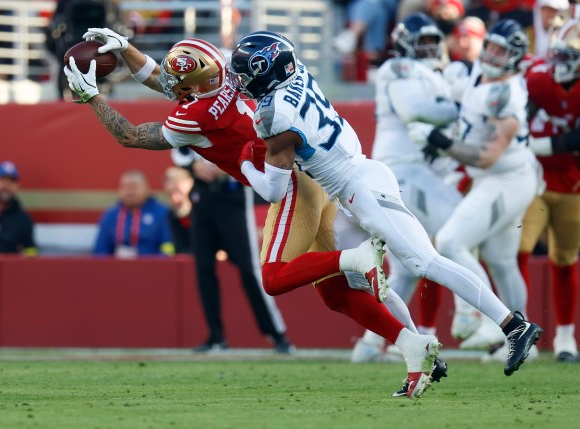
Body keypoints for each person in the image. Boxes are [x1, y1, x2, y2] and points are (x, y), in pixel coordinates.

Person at [63, 30, 447, 398]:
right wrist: (127, 48)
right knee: (336, 293)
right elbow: (169, 82)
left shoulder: (193, 116)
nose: (168, 82)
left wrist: (92, 97)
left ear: (194, 84)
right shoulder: (229, 74)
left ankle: (356, 259)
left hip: (290, 185)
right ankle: (414, 345)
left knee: (275, 277)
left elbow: (130, 134)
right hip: (315, 174)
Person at [229, 29, 542, 379]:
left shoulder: (273, 117)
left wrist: (241, 163)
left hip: (361, 185)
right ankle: (420, 347)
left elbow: (272, 191)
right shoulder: (296, 72)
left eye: (245, 76)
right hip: (351, 184)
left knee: (425, 261)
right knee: (360, 279)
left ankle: (512, 324)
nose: (240, 83)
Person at [408, 19, 543, 362]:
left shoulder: (505, 93)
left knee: (451, 241)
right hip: (500, 178)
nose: (494, 56)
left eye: (502, 51)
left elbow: (487, 156)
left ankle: (488, 319)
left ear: (515, 58)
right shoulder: (476, 76)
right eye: (492, 47)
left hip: (506, 177)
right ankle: (525, 342)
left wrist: (441, 142)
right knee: (501, 261)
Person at [351, 13, 466, 362]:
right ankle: (477, 316)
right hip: (400, 175)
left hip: (416, 175)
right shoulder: (399, 69)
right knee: (457, 235)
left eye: (434, 42)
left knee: (404, 269)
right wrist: (457, 106)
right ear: (405, 45)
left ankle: (370, 345)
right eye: (423, 43)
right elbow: (415, 109)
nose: (430, 49)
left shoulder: (433, 74)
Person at [173, 149, 295, 354]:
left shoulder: (242, 116)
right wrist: (193, 165)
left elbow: (257, 147)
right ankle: (215, 336)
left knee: (249, 269)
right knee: (204, 269)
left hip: (233, 194)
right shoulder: (191, 117)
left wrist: (233, 166)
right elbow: (178, 146)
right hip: (202, 196)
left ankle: (277, 334)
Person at [523, 14, 580, 362]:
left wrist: (539, 144)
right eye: (557, 54)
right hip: (538, 179)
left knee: (570, 257)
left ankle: (566, 336)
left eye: (568, 56)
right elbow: (521, 114)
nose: (559, 63)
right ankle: (514, 333)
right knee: (516, 248)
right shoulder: (538, 78)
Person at [93, 170, 174, 258]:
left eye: (134, 187)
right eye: (126, 187)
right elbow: (100, 251)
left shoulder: (163, 214)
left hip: (152, 268)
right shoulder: (110, 215)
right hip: (117, 268)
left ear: (147, 189)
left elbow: (168, 248)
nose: (130, 192)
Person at [163, 165, 193, 255]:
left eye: (179, 192)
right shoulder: (166, 215)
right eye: (171, 194)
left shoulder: (204, 214)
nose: (175, 198)